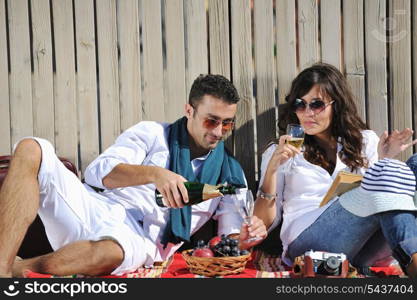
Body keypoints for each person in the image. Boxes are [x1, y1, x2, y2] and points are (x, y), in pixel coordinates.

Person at [0, 74, 267, 277]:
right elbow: (97, 173)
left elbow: (230, 238)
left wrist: (244, 237)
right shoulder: (152, 134)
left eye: (227, 123)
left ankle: (20, 268)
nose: (219, 132)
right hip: (95, 205)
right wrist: (154, 174)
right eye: (211, 121)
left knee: (108, 253)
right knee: (31, 147)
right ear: (189, 111)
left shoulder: (230, 176)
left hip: (139, 238)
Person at [254, 63, 417, 278]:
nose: (307, 113)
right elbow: (263, 222)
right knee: (384, 177)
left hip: (362, 248)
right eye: (300, 104)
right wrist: (272, 170)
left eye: (317, 104)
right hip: (307, 244)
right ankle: (413, 261)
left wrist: (384, 159)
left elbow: (383, 202)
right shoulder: (282, 151)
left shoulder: (365, 140)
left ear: (336, 105)